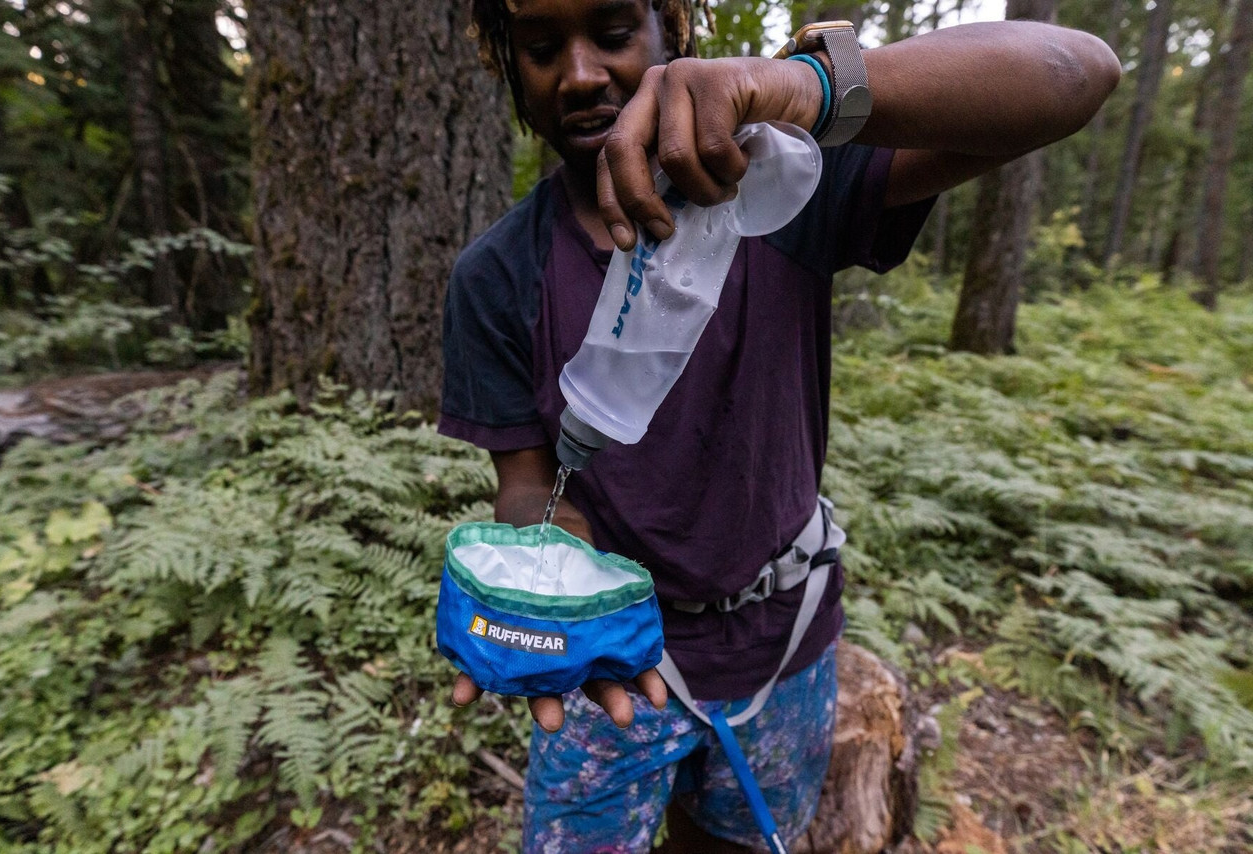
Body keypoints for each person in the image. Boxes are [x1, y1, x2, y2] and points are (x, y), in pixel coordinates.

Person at [438, 2, 1119, 851]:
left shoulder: (787, 192)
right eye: (541, 49)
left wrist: (804, 88)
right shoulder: (497, 276)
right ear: (509, 68)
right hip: (608, 664)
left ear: (673, 34)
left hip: (781, 646)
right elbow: (534, 484)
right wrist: (540, 589)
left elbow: (1078, 72)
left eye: (613, 34)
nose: (579, 74)